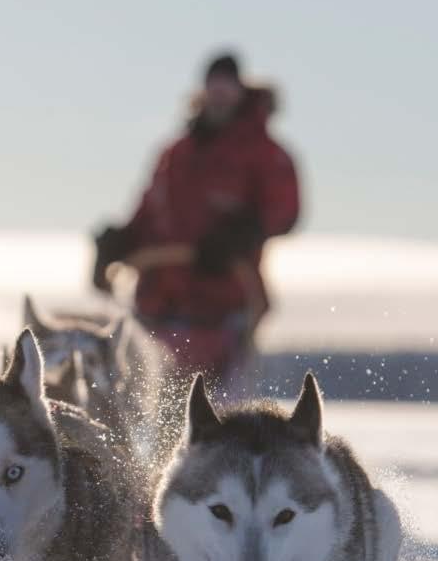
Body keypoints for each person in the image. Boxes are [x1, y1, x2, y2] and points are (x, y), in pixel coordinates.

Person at [92, 51, 301, 382]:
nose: (219, 94)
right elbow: (148, 212)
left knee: (217, 420)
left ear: (240, 91)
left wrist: (241, 236)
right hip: (158, 308)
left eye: (227, 87)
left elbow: (285, 211)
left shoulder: (266, 154)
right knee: (148, 413)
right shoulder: (175, 154)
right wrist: (120, 243)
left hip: (224, 312)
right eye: (213, 86)